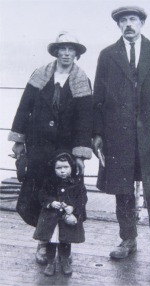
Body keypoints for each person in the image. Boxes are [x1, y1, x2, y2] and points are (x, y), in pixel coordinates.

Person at [92, 6, 150, 267]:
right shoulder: (107, 55)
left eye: (133, 19)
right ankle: (128, 240)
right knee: (122, 191)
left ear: (142, 23)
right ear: (118, 26)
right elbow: (98, 97)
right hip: (118, 136)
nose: (128, 24)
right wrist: (97, 133)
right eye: (123, 21)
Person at [8, 32, 93, 264]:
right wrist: (18, 141)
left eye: (71, 49)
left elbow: (86, 120)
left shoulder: (82, 81)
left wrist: (80, 154)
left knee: (66, 195)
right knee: (41, 195)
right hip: (38, 147)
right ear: (56, 52)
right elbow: (23, 107)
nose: (66, 53)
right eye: (62, 49)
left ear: (77, 54)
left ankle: (65, 247)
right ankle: (43, 242)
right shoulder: (39, 76)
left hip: (64, 151)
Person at [33, 151, 87, 276]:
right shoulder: (49, 182)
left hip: (66, 218)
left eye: (66, 167)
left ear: (71, 167)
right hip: (51, 218)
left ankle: (65, 261)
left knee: (66, 241)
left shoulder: (76, 183)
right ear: (54, 169)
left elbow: (82, 198)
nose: (62, 171)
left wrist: (72, 208)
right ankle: (51, 263)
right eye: (59, 168)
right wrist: (51, 203)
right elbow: (42, 195)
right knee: (51, 241)